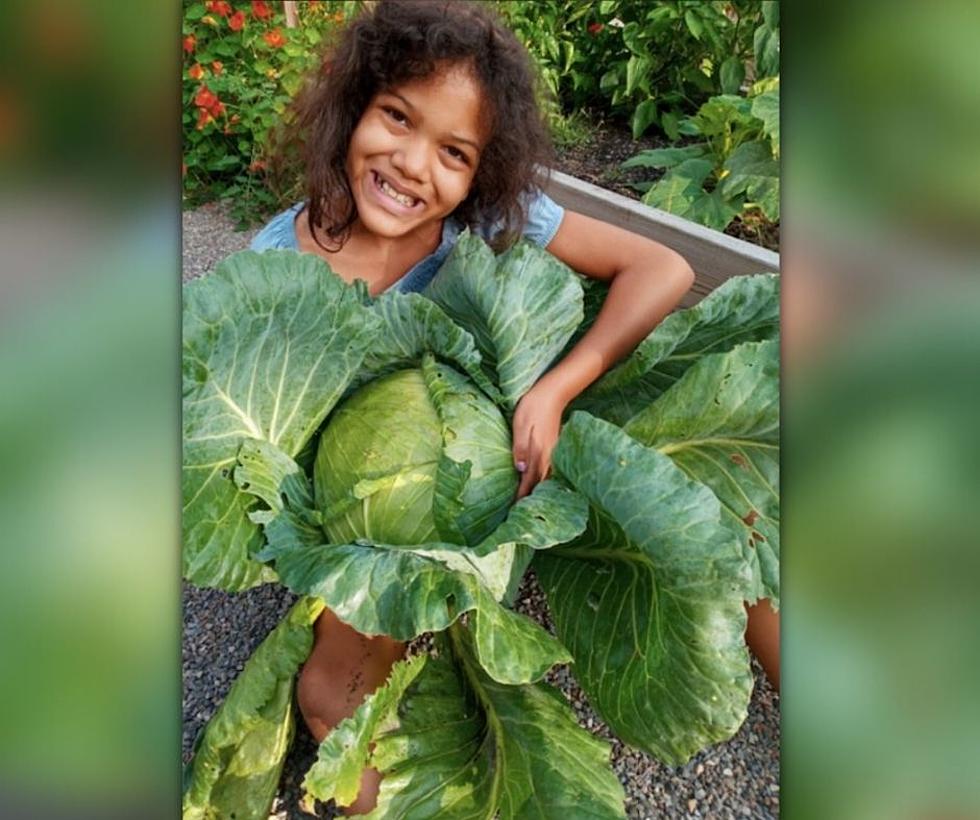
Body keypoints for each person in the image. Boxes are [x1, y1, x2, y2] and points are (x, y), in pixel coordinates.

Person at [249, 0, 776, 813]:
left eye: (454, 151)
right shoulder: (274, 267)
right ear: (352, 107)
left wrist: (554, 389)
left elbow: (664, 270)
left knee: (731, 520)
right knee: (332, 699)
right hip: (374, 542)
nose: (414, 164)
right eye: (397, 116)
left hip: (534, 470)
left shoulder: (488, 222)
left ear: (481, 171)